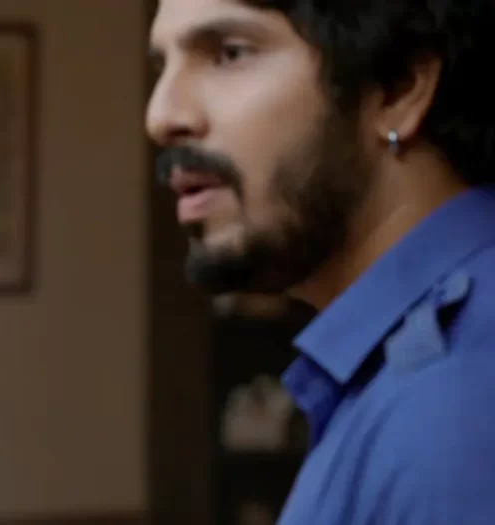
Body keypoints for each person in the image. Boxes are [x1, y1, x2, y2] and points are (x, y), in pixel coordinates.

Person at [147, 1, 495, 524]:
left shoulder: (456, 405)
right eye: (162, 65)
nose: (161, 116)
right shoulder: (400, 370)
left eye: (229, 54)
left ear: (397, 88)